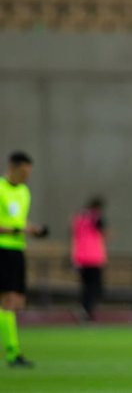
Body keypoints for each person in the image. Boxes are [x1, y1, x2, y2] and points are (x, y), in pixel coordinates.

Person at [0, 151, 48, 367]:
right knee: (8, 301)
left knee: (18, 303)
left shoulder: (24, 192)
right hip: (2, 249)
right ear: (12, 167)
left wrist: (33, 229)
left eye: (28, 172)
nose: (26, 176)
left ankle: (13, 350)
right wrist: (20, 229)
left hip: (18, 251)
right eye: (23, 171)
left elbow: (19, 220)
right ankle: (13, 353)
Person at [70, 196, 110, 322]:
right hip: (94, 258)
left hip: (80, 258)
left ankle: (84, 310)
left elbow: (74, 237)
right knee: (96, 288)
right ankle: (87, 311)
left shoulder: (78, 217)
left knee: (86, 287)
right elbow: (104, 232)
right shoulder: (95, 217)